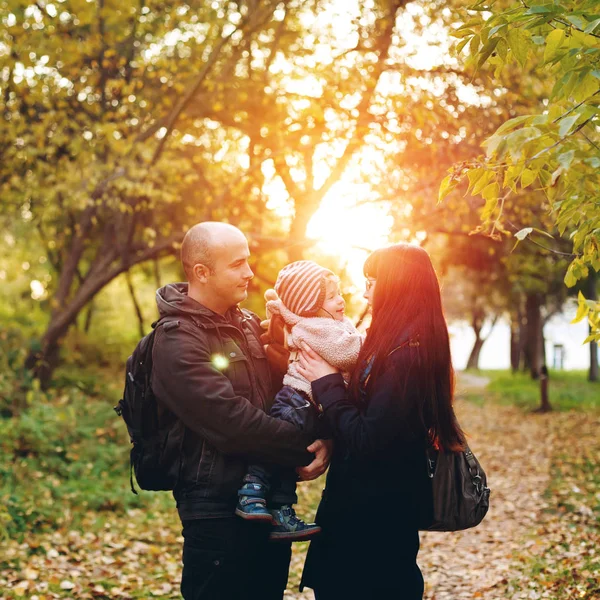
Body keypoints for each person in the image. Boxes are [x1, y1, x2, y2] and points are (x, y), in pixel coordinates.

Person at [150, 222, 332, 600]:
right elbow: (231, 422)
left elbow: (294, 392)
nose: (249, 272)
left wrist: (326, 439)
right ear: (202, 272)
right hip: (215, 512)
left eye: (248, 261)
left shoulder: (250, 324)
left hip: (268, 509)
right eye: (237, 264)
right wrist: (303, 448)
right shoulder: (176, 339)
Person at [296, 243, 467, 600]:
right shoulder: (395, 344)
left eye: (372, 281)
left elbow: (371, 438)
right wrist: (330, 439)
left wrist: (325, 381)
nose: (364, 291)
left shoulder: (408, 355)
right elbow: (370, 417)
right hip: (370, 518)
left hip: (371, 529)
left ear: (396, 284)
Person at [235, 261, 363, 541]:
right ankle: (251, 491)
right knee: (277, 448)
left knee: (290, 456)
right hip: (297, 400)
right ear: (308, 305)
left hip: (310, 406)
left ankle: (281, 511)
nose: (341, 300)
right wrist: (374, 343)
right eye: (331, 296)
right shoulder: (313, 326)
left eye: (339, 292)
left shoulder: (328, 323)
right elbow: (348, 353)